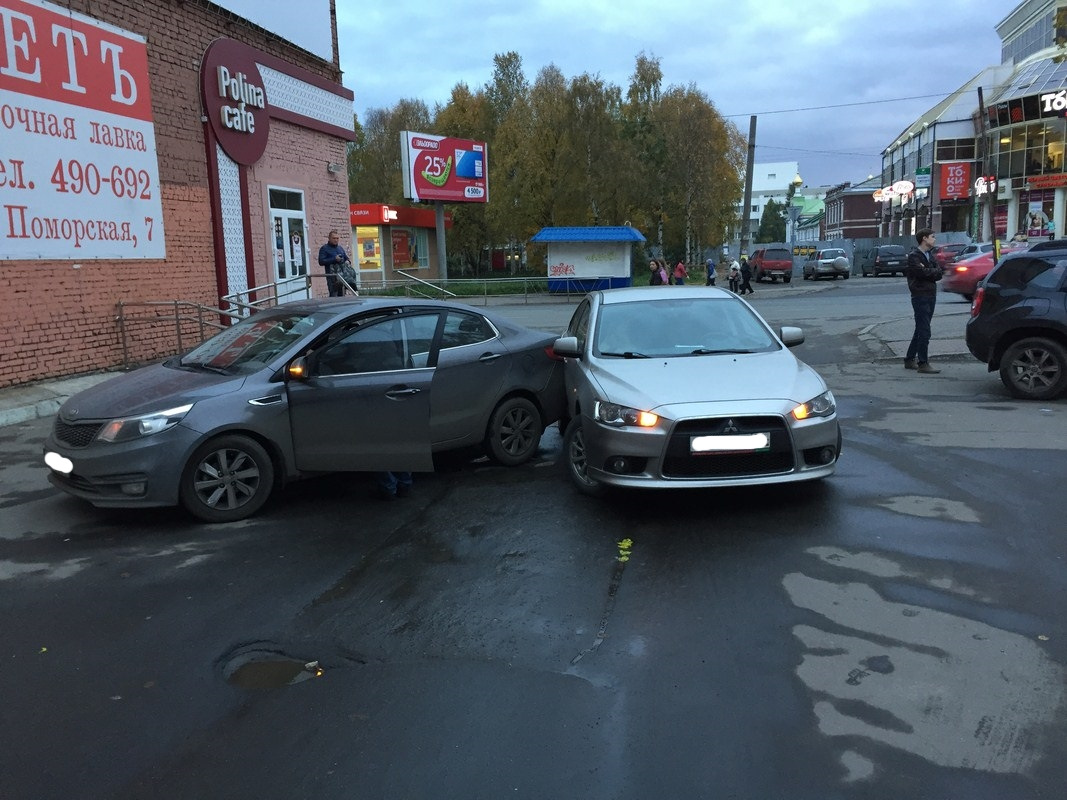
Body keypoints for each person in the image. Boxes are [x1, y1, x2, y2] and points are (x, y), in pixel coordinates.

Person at [904, 227, 944, 374]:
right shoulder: (914, 256)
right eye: (932, 237)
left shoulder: (929, 255)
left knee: (920, 329)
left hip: (930, 295)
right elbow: (921, 273)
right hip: (920, 296)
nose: (934, 239)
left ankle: (909, 359)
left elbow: (939, 272)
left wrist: (930, 271)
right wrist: (930, 271)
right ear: (924, 238)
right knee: (925, 330)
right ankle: (923, 363)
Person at [318, 229, 351, 297]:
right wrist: (334, 259)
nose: (336, 240)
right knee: (334, 295)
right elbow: (321, 261)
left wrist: (347, 261)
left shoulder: (340, 248)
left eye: (337, 238)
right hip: (331, 277)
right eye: (334, 238)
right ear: (329, 238)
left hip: (342, 276)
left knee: (342, 295)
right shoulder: (324, 248)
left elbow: (346, 258)